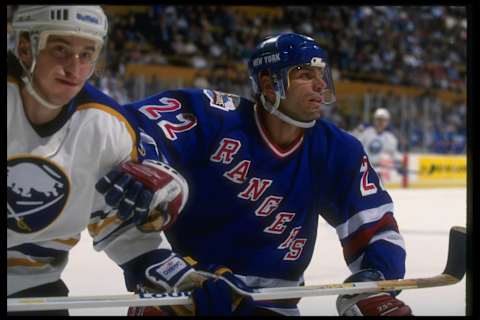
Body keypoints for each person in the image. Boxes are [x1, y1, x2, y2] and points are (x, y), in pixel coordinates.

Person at [96, 33, 412, 316]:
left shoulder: (338, 150)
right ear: (266, 82)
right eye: (304, 74)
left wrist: (375, 281)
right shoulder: (212, 117)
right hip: (185, 292)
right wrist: (145, 161)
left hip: (274, 305)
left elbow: (377, 229)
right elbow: (129, 126)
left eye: (322, 74)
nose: (320, 85)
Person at [7, 6, 190, 316]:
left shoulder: (107, 127)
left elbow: (121, 226)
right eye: (61, 49)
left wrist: (167, 271)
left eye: (87, 53)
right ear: (26, 47)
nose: (74, 67)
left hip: (32, 288)